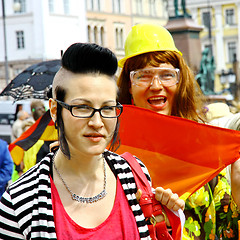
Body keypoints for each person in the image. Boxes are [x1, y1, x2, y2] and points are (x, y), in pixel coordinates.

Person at [0, 42, 184, 239]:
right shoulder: (19, 202)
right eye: (82, 108)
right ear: (54, 110)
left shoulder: (133, 174)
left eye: (107, 108)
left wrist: (168, 219)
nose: (97, 122)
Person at [118, 23, 240, 239]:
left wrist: (238, 195)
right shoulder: (108, 151)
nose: (156, 85)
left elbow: (225, 230)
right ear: (129, 84)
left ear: (180, 80)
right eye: (143, 75)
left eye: (166, 75)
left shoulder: (203, 146)